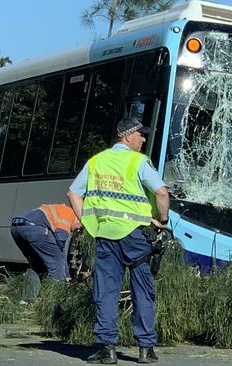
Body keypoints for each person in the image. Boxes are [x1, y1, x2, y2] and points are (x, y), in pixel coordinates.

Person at [67, 116, 170, 364]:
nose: (144, 139)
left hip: (105, 236)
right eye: (140, 134)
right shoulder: (138, 162)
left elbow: (73, 192)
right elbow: (161, 192)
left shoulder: (96, 161)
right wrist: (163, 221)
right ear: (127, 136)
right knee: (142, 291)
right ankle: (146, 349)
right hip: (136, 236)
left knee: (106, 292)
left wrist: (88, 222)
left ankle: (107, 349)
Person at [10, 203, 81, 298]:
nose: (76, 231)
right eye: (79, 228)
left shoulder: (59, 210)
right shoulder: (70, 214)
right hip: (34, 228)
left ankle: (27, 300)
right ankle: (53, 301)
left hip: (16, 227)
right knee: (56, 265)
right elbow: (60, 244)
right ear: (79, 220)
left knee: (36, 265)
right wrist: (66, 275)